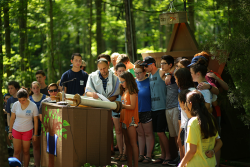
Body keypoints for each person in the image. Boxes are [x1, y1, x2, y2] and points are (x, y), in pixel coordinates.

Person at [178, 90, 222, 167]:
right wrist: (213, 151)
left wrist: (181, 164)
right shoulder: (211, 119)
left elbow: (192, 151)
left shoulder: (193, 122)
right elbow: (219, 142)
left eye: (186, 103)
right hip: (210, 164)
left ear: (190, 104)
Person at [140, 56, 172, 165]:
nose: (145, 68)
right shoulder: (149, 75)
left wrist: (169, 75)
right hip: (153, 108)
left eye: (146, 65)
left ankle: (168, 156)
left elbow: (171, 71)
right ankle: (163, 155)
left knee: (161, 132)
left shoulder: (161, 72)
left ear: (152, 64)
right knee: (159, 133)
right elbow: (135, 74)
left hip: (162, 107)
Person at [8, 88, 39, 167]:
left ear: (27, 97)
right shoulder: (15, 104)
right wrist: (10, 131)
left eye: (23, 100)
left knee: (26, 151)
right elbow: (12, 118)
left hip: (28, 130)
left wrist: (35, 134)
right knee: (17, 151)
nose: (21, 102)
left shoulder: (33, 105)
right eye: (19, 100)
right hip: (16, 129)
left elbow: (35, 120)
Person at [161, 55, 180, 166]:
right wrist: (167, 74)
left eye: (164, 63)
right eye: (161, 63)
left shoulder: (177, 73)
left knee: (178, 135)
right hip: (168, 108)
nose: (161, 65)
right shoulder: (164, 73)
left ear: (170, 65)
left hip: (176, 108)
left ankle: (181, 159)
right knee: (174, 136)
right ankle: (178, 157)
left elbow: (179, 70)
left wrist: (169, 74)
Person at [174, 68, 195, 162]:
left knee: (186, 149)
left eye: (176, 79)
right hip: (184, 125)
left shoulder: (191, 92)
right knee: (180, 143)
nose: (175, 81)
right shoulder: (185, 90)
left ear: (181, 79)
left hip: (189, 125)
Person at [134, 64, 154, 163]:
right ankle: (141, 154)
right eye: (136, 73)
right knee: (140, 134)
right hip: (136, 112)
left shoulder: (149, 81)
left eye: (139, 73)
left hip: (147, 111)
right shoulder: (133, 82)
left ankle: (149, 155)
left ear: (144, 72)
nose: (137, 75)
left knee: (148, 134)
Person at [119, 71, 139, 167]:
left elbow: (132, 106)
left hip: (131, 119)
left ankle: (135, 165)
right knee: (127, 143)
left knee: (133, 143)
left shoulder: (132, 91)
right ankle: (129, 165)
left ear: (128, 81)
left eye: (123, 81)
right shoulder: (124, 91)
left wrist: (121, 106)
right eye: (120, 81)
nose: (121, 83)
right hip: (123, 119)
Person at [29, 81, 47, 167]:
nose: (36, 89)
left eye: (37, 87)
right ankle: (37, 164)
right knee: (36, 147)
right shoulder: (28, 99)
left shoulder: (46, 97)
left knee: (44, 146)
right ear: (31, 89)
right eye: (34, 88)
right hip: (33, 126)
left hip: (44, 125)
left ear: (40, 87)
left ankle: (44, 164)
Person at [113, 62, 127, 161]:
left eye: (123, 70)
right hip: (114, 108)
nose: (121, 72)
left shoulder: (128, 82)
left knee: (124, 131)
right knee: (118, 131)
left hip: (125, 109)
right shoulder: (113, 82)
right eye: (119, 71)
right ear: (116, 72)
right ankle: (120, 153)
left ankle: (125, 153)